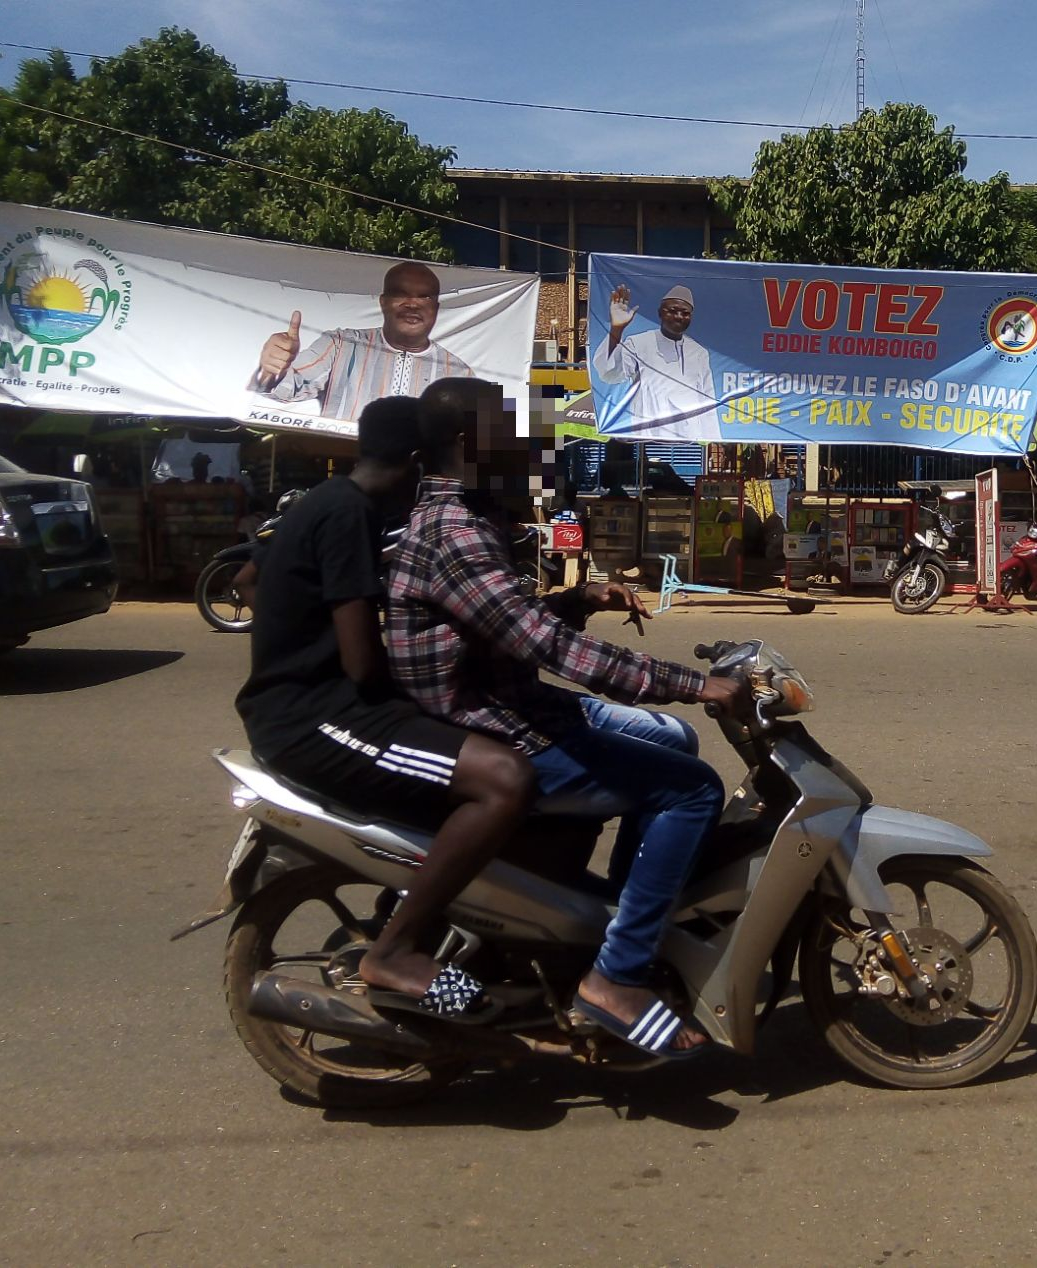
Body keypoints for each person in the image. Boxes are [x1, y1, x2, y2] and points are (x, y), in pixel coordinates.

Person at [386, 377, 751, 1060]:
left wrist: (579, 598)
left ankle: (615, 917)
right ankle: (615, 978)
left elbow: (502, 624)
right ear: (467, 441)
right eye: (504, 426)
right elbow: (545, 647)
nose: (521, 439)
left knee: (675, 740)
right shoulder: (456, 532)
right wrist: (690, 683)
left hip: (514, 703)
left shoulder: (472, 514)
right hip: (495, 727)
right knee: (694, 790)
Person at [234, 396, 535, 1021]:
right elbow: (361, 663)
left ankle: (446, 919)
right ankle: (394, 952)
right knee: (503, 779)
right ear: (419, 462)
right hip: (312, 718)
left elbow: (248, 581)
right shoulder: (350, 513)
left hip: (302, 703)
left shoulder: (322, 498)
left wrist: (293, 635)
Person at [250, 262, 474, 422]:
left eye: (424, 296)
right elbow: (286, 389)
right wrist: (271, 370)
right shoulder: (341, 345)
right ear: (383, 302)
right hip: (345, 471)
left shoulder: (459, 374)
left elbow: (474, 449)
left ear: (435, 308)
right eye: (400, 294)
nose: (412, 304)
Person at [590, 283, 721, 440]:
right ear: (660, 313)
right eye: (673, 311)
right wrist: (616, 329)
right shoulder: (638, 344)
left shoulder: (699, 353)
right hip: (648, 439)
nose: (679, 316)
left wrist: (714, 439)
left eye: (685, 313)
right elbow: (609, 374)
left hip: (689, 441)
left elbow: (707, 400)